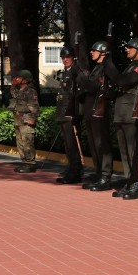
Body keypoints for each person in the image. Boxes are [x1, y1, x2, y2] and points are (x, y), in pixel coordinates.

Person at [104, 38, 138, 200]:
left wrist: (109, 64)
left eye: (131, 48)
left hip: (132, 111)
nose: (127, 50)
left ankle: (137, 182)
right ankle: (130, 179)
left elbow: (122, 80)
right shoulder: (131, 66)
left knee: (134, 149)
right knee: (124, 150)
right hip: (122, 111)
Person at [76, 41, 114, 191]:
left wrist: (82, 77)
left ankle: (105, 175)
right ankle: (100, 173)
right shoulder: (97, 69)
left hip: (100, 110)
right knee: (93, 144)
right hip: (91, 111)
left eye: (94, 50)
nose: (91, 52)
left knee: (101, 144)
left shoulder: (105, 69)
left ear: (102, 52)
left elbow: (94, 87)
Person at [54, 46, 84, 184]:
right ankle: (71, 167)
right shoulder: (66, 73)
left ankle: (76, 170)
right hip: (63, 113)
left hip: (71, 113)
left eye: (68, 57)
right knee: (67, 143)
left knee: (72, 143)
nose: (65, 60)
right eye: (63, 58)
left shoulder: (76, 72)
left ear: (73, 58)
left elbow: (78, 93)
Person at [8, 69, 40, 173]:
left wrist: (33, 119)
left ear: (25, 80)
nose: (16, 79)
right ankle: (24, 162)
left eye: (19, 77)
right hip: (18, 120)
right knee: (20, 143)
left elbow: (35, 107)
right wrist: (12, 86)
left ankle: (30, 164)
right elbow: (14, 95)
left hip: (26, 120)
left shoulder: (30, 91)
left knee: (27, 142)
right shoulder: (20, 90)